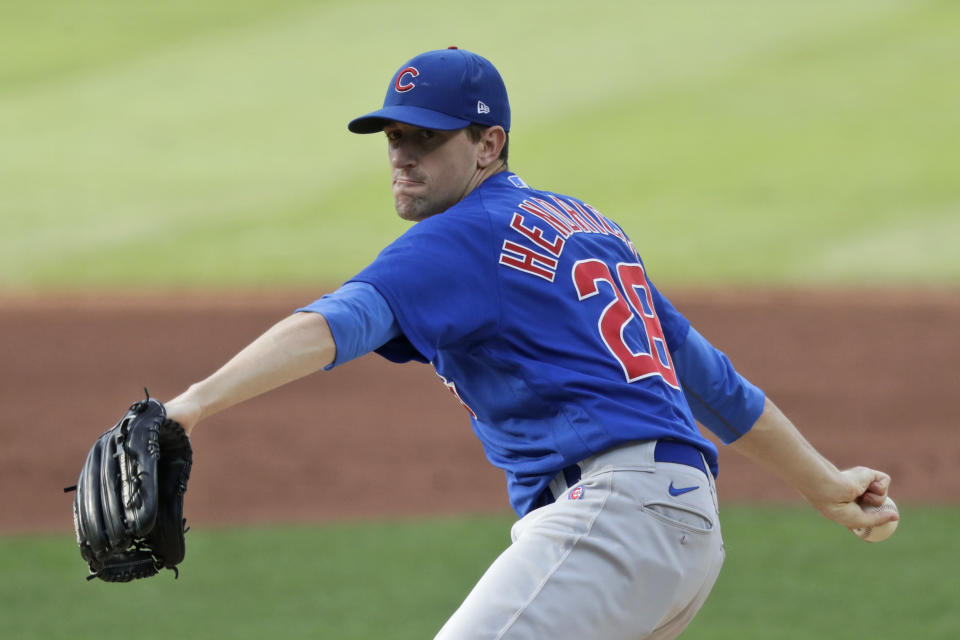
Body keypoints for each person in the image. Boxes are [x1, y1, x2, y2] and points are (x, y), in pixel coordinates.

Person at [163, 48, 897, 639]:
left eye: (427, 137)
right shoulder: (586, 227)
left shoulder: (464, 233)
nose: (403, 155)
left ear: (490, 144)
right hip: (685, 532)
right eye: (395, 137)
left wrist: (191, 405)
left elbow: (336, 323)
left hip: (613, 522)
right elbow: (708, 378)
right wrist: (821, 482)